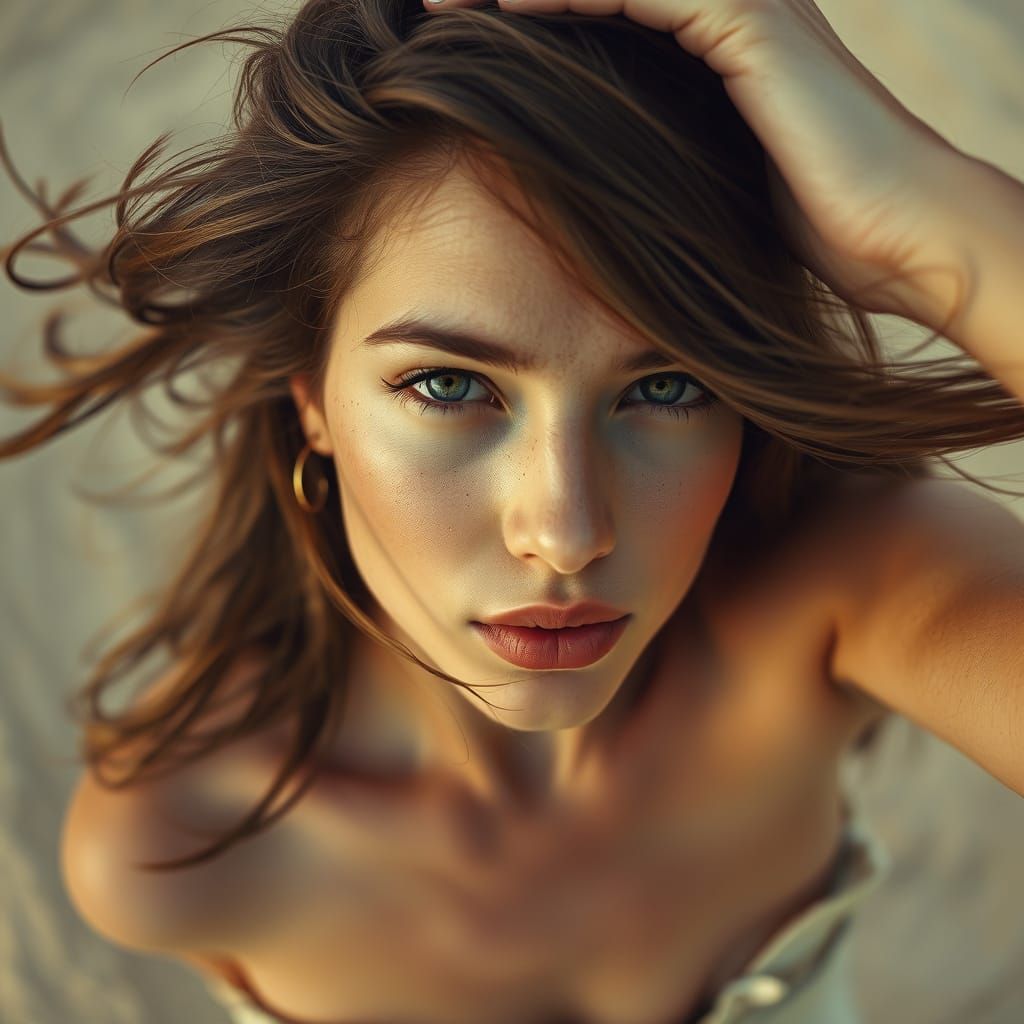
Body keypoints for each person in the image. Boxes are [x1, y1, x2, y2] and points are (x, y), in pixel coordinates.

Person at [3, 0, 1023, 1021]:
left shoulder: (849, 587)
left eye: (665, 388)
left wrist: (924, 221)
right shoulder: (183, 844)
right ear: (309, 396)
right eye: (449, 386)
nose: (568, 531)